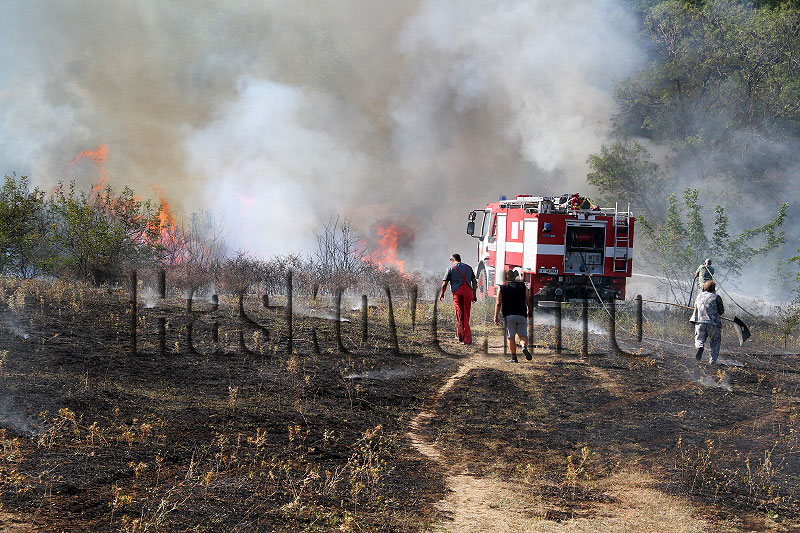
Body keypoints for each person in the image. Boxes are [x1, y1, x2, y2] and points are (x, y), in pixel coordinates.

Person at [493, 270, 532, 363]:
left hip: (508, 315)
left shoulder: (502, 287)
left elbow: (498, 303)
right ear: (514, 277)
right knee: (523, 335)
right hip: (521, 315)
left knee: (511, 337)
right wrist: (529, 311)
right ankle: (524, 347)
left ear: (505, 277)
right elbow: (528, 300)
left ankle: (514, 358)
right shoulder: (523, 286)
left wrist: (496, 316)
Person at [440, 253, 478, 344]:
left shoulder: (450, 269)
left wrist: (442, 293)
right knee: (466, 315)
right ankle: (460, 335)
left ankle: (467, 339)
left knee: (461, 316)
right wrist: (474, 294)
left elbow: (444, 284)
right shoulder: (468, 267)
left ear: (452, 260)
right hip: (469, 293)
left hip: (458, 294)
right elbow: (474, 282)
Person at [689, 280, 725, 364]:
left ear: (704, 288)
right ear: (714, 289)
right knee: (715, 342)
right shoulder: (716, 297)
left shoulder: (699, 296)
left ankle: (700, 347)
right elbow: (721, 312)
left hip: (700, 322)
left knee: (699, 339)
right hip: (713, 323)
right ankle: (712, 361)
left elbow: (696, 307)